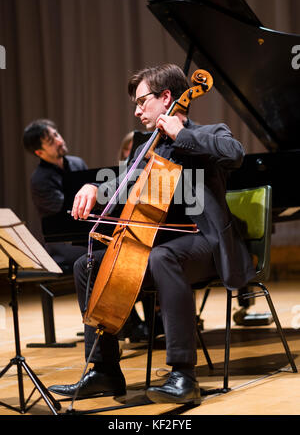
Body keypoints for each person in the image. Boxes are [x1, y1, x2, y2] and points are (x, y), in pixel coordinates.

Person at [48, 63, 255, 404]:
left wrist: (180, 134)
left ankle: (183, 375)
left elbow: (235, 155)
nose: (137, 110)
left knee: (164, 256)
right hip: (157, 246)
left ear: (167, 98)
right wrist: (93, 188)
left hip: (206, 244)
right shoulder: (149, 147)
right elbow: (123, 182)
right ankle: (104, 371)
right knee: (87, 265)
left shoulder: (210, 132)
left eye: (142, 101)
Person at [23, 119, 88, 271]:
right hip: (63, 244)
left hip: (84, 234)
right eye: (51, 142)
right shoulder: (40, 179)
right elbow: (68, 210)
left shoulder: (77, 163)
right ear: (39, 152)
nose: (59, 141)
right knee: (105, 254)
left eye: (57, 135)